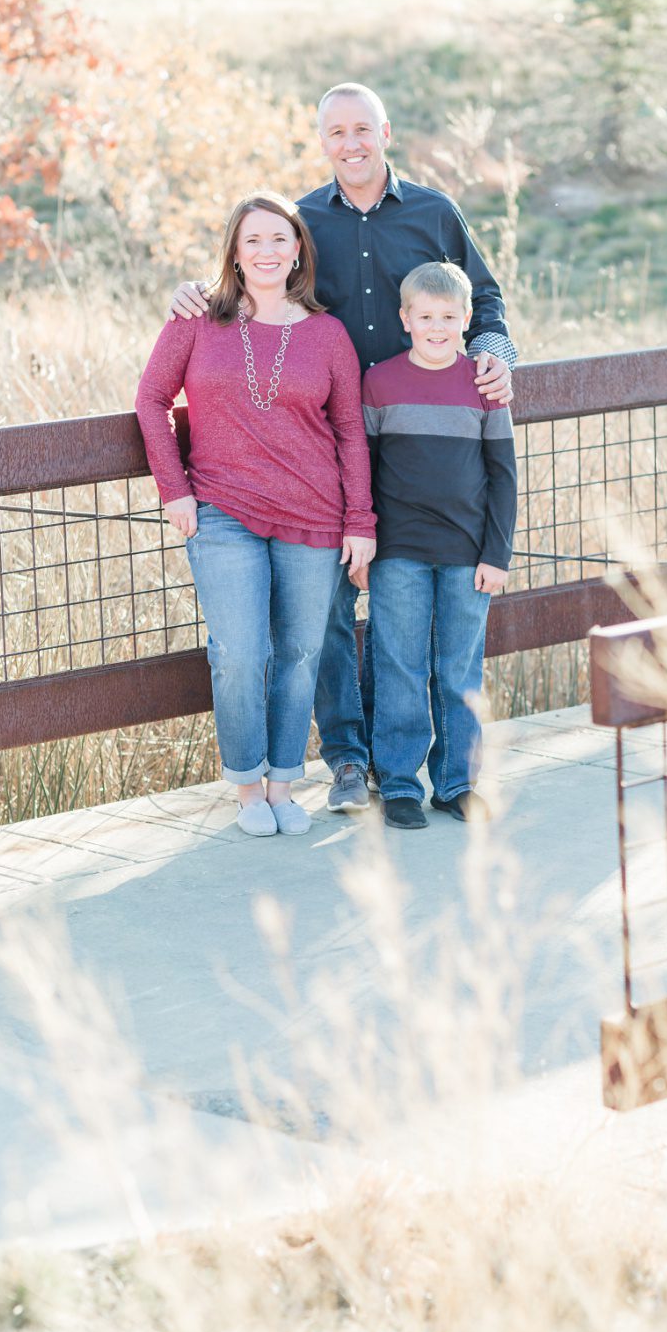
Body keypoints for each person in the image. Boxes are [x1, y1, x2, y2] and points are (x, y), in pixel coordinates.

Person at [167, 83, 517, 819]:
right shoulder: (303, 220)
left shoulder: (435, 212)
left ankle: (437, 774)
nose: (350, 142)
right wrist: (191, 294)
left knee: (414, 616)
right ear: (322, 140)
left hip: (422, 440)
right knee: (327, 609)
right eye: (336, 131)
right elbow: (254, 277)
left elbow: (484, 300)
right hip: (322, 445)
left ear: (384, 131)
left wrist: (490, 354)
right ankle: (350, 762)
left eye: (362, 128)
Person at [137, 191, 375, 836]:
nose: (267, 252)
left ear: (298, 248)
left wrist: (361, 524)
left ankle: (282, 786)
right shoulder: (195, 321)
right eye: (253, 241)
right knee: (240, 651)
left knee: (299, 652)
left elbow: (351, 434)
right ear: (234, 255)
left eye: (279, 239)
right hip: (221, 510)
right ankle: (247, 789)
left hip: (315, 515)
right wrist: (175, 490)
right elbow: (151, 399)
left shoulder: (327, 335)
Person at [363, 262, 517, 830]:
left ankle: (456, 783)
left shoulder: (484, 385)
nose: (436, 328)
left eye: (448, 318)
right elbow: (364, 470)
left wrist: (496, 554)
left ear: (467, 320)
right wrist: (363, 544)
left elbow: (504, 476)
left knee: (458, 669)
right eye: (425, 317)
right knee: (399, 664)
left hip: (468, 553)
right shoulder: (378, 382)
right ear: (405, 319)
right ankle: (400, 783)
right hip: (396, 551)